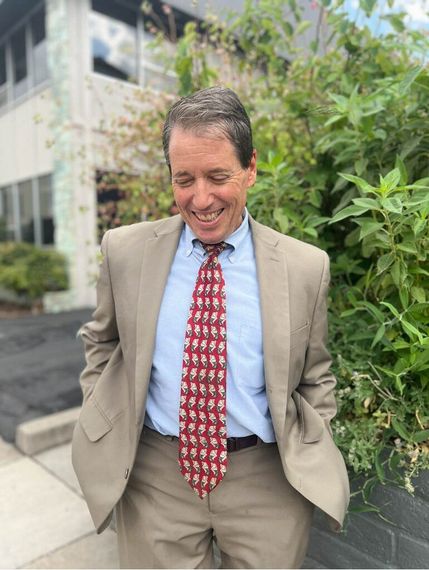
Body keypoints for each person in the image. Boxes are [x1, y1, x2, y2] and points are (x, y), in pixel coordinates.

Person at [72, 86, 349, 569]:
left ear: (252, 168)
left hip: (267, 481)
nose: (200, 198)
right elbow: (101, 341)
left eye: (218, 176)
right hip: (154, 476)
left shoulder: (306, 267)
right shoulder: (125, 251)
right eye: (184, 179)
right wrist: (101, 413)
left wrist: (310, 436)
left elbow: (316, 372)